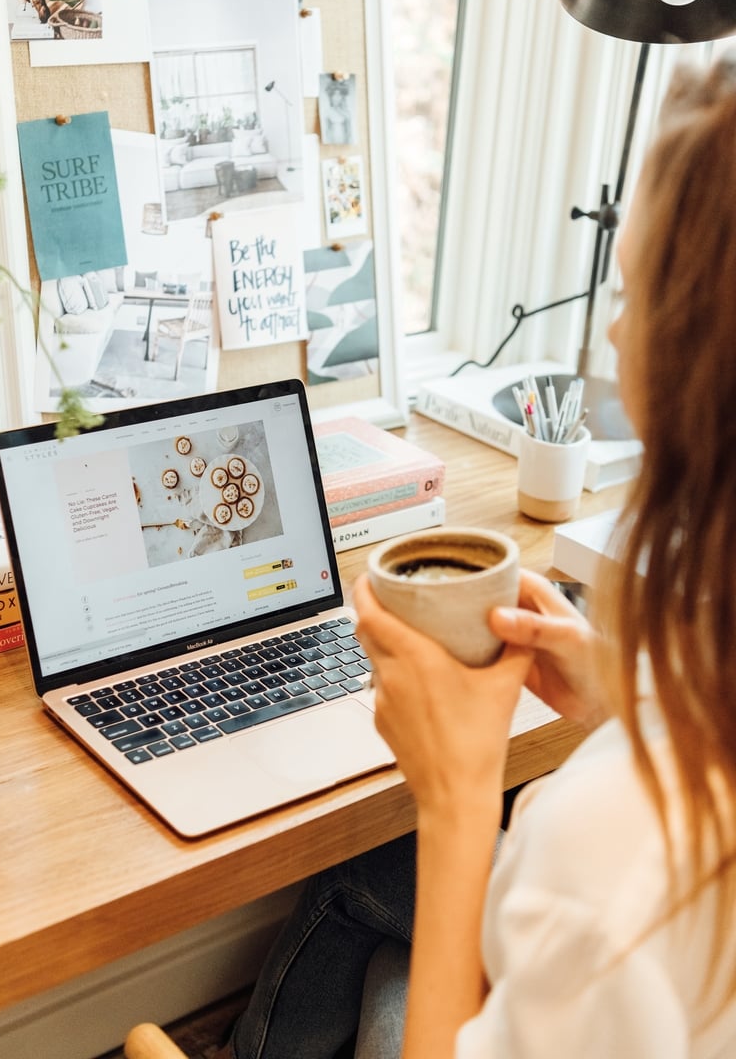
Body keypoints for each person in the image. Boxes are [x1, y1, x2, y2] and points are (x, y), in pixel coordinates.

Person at [212, 56, 736, 1058]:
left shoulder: (610, 859)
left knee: (376, 885)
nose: (614, 335)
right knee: (368, 902)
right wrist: (635, 698)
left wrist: (454, 798)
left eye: (631, 298)